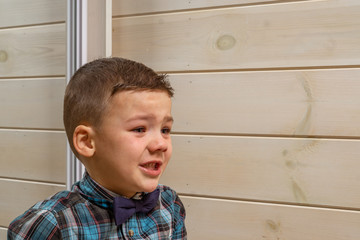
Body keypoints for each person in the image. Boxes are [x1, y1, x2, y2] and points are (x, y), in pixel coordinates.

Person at [8, 57, 187, 239]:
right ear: (87, 142)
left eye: (165, 130)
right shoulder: (53, 225)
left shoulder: (169, 204)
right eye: (139, 129)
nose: (161, 144)